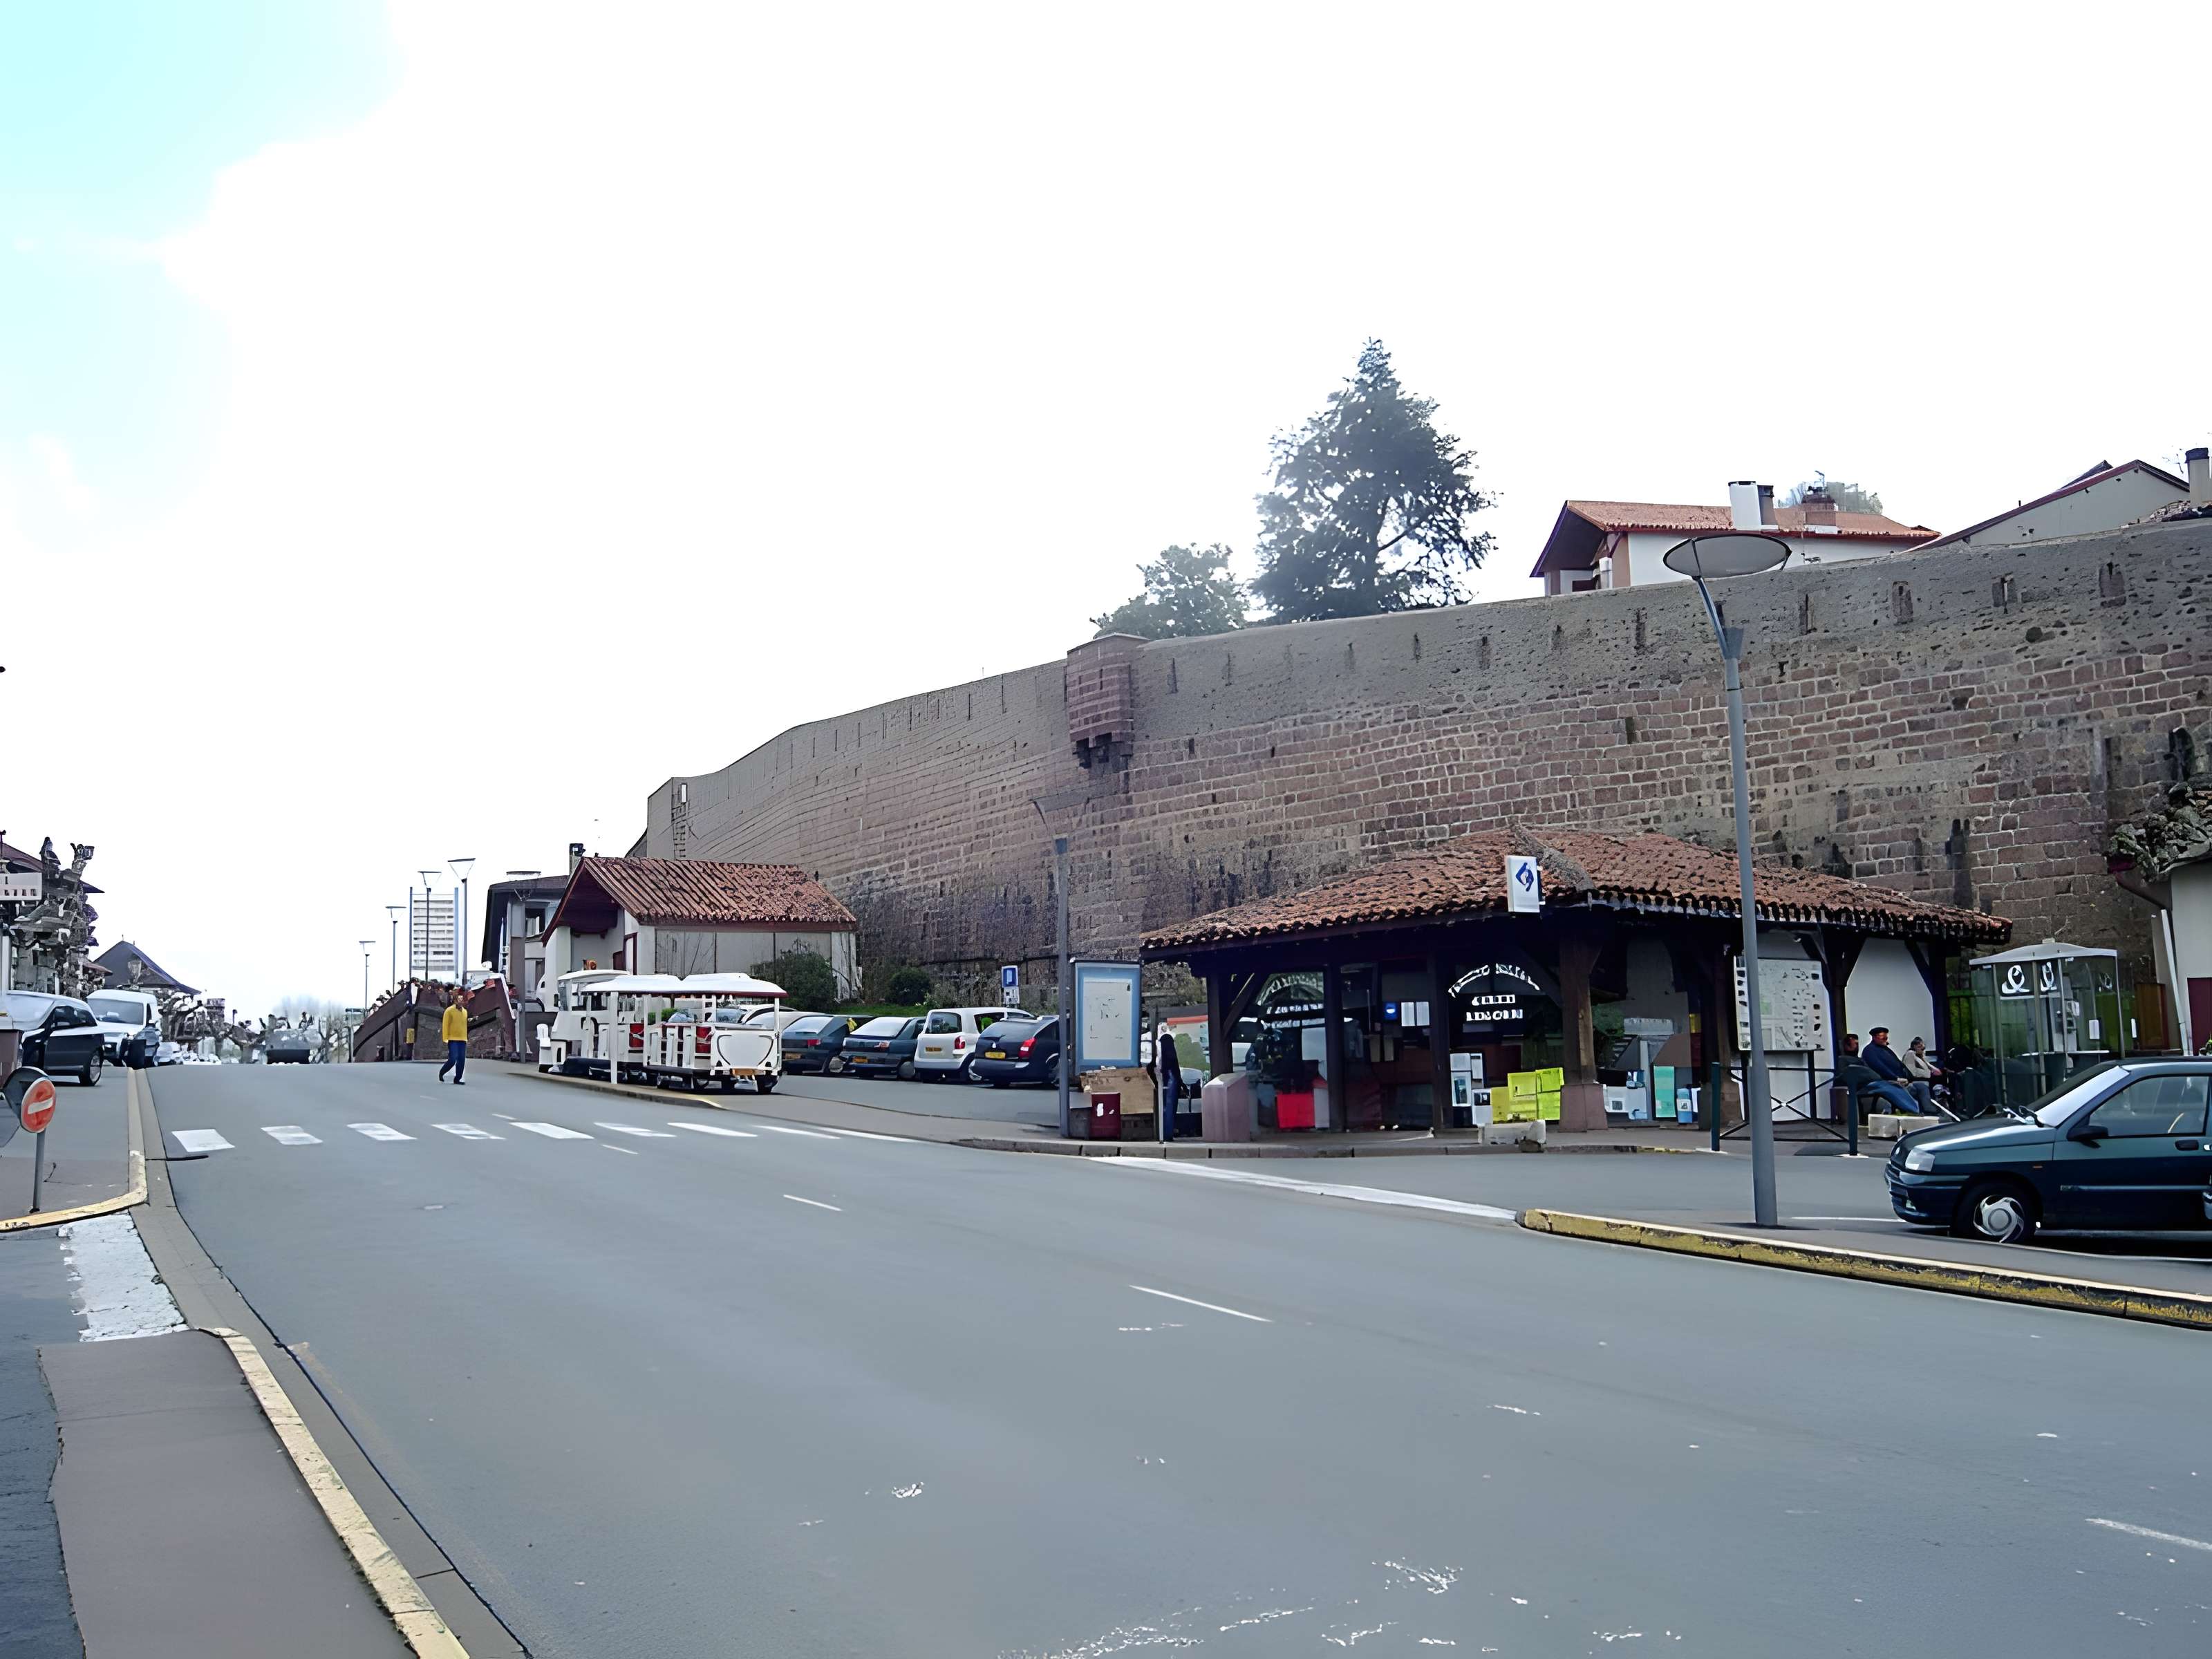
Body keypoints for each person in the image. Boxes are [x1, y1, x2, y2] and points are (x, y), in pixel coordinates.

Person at [1862, 1026, 1933, 1114]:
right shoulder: (1869, 1050)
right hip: (1884, 1081)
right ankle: (1914, 1111)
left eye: (1886, 1037)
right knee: (1902, 1088)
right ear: (1875, 1037)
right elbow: (1879, 1067)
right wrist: (1896, 1078)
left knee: (1922, 1086)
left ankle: (1928, 1110)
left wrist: (1909, 1078)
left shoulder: (1886, 1050)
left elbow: (1900, 1064)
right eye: (1883, 1037)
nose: (1885, 1040)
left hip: (1900, 1080)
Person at [1156, 1030, 1182, 1143]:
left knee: (1165, 1109)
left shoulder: (1163, 1058)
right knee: (1171, 1110)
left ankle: (1165, 1133)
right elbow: (1177, 1073)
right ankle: (1169, 1133)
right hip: (1174, 1084)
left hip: (1167, 1084)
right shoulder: (1173, 1057)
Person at [438, 994, 469, 1084]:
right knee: (452, 1059)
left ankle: (458, 1079)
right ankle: (442, 1072)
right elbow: (445, 1025)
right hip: (453, 1039)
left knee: (461, 1060)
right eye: (459, 999)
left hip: (463, 1039)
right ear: (455, 1001)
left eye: (462, 1000)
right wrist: (445, 1038)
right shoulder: (449, 1011)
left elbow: (464, 1025)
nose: (461, 1001)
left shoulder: (465, 1012)